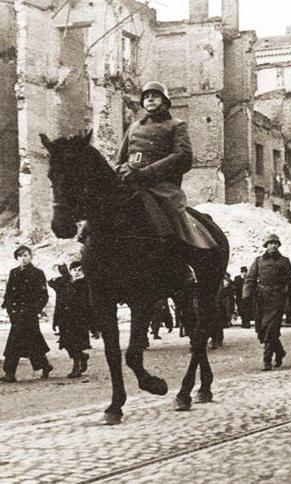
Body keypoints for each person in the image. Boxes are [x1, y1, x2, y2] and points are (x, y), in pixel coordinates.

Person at [115, 81, 216, 253]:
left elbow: (182, 156)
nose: (150, 99)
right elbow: (120, 159)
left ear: (164, 101)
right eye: (146, 97)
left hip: (161, 186)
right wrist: (123, 170)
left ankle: (182, 261)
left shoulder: (176, 125)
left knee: (173, 214)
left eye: (155, 96)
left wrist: (149, 172)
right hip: (131, 182)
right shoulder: (133, 128)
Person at [243, 234, 291, 371]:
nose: (273, 245)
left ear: (279, 245)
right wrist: (246, 294)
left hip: (278, 298)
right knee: (263, 329)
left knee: (271, 328)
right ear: (266, 245)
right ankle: (280, 352)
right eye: (270, 243)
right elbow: (250, 278)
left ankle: (267, 359)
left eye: (276, 243)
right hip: (262, 299)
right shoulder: (258, 261)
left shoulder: (284, 261)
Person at [1, 245, 53, 382]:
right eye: (19, 256)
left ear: (31, 256)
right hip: (17, 314)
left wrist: (34, 310)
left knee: (23, 342)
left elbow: (43, 295)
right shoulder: (13, 272)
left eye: (25, 255)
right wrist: (10, 309)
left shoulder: (37, 273)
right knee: (26, 341)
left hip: (29, 314)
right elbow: (9, 294)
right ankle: (43, 366)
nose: (22, 259)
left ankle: (10, 372)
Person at [49, 261, 92, 378]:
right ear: (70, 271)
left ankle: (76, 368)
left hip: (80, 319)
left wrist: (94, 325)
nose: (77, 273)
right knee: (66, 343)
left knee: (76, 343)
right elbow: (51, 283)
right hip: (64, 319)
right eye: (74, 270)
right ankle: (82, 356)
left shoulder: (86, 285)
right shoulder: (63, 283)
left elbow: (90, 304)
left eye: (80, 270)